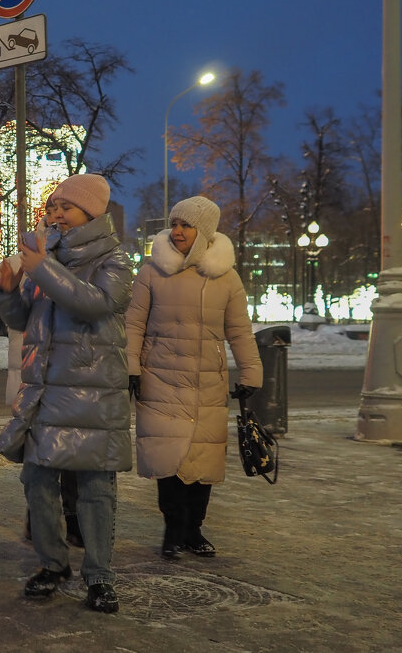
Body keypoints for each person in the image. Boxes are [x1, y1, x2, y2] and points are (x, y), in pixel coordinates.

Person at [0, 173, 133, 614]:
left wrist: (41, 269)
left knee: (94, 488)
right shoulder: (44, 258)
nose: (54, 215)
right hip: (46, 391)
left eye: (64, 207)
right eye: (51, 207)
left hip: (92, 394)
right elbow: (24, 319)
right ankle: (53, 564)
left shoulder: (115, 261)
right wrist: (8, 292)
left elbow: (94, 304)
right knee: (36, 481)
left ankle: (99, 575)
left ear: (92, 213)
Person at [125, 196, 263, 560]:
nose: (177, 231)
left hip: (207, 380)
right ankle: (173, 529)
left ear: (204, 231)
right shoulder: (152, 270)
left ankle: (194, 529)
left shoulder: (225, 276)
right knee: (168, 457)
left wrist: (251, 372)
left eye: (186, 225)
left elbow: (240, 330)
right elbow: (134, 323)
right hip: (161, 377)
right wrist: (131, 368)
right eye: (174, 223)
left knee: (202, 459)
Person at [0, 238, 83, 548]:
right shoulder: (20, 262)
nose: (55, 218)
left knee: (74, 452)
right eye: (50, 213)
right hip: (32, 371)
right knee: (39, 453)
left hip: (71, 371)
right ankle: (38, 521)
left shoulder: (80, 260)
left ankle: (75, 520)